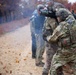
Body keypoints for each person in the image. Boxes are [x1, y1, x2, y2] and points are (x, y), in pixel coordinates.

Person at [46, 8, 76, 75]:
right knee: (73, 70)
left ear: (62, 16)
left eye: (58, 17)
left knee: (54, 67)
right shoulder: (74, 22)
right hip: (74, 52)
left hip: (64, 52)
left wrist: (47, 37)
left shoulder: (63, 26)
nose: (57, 18)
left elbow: (52, 39)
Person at [42, 0, 65, 75]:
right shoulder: (50, 19)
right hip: (51, 42)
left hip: (55, 41)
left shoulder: (52, 15)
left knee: (58, 62)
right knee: (49, 62)